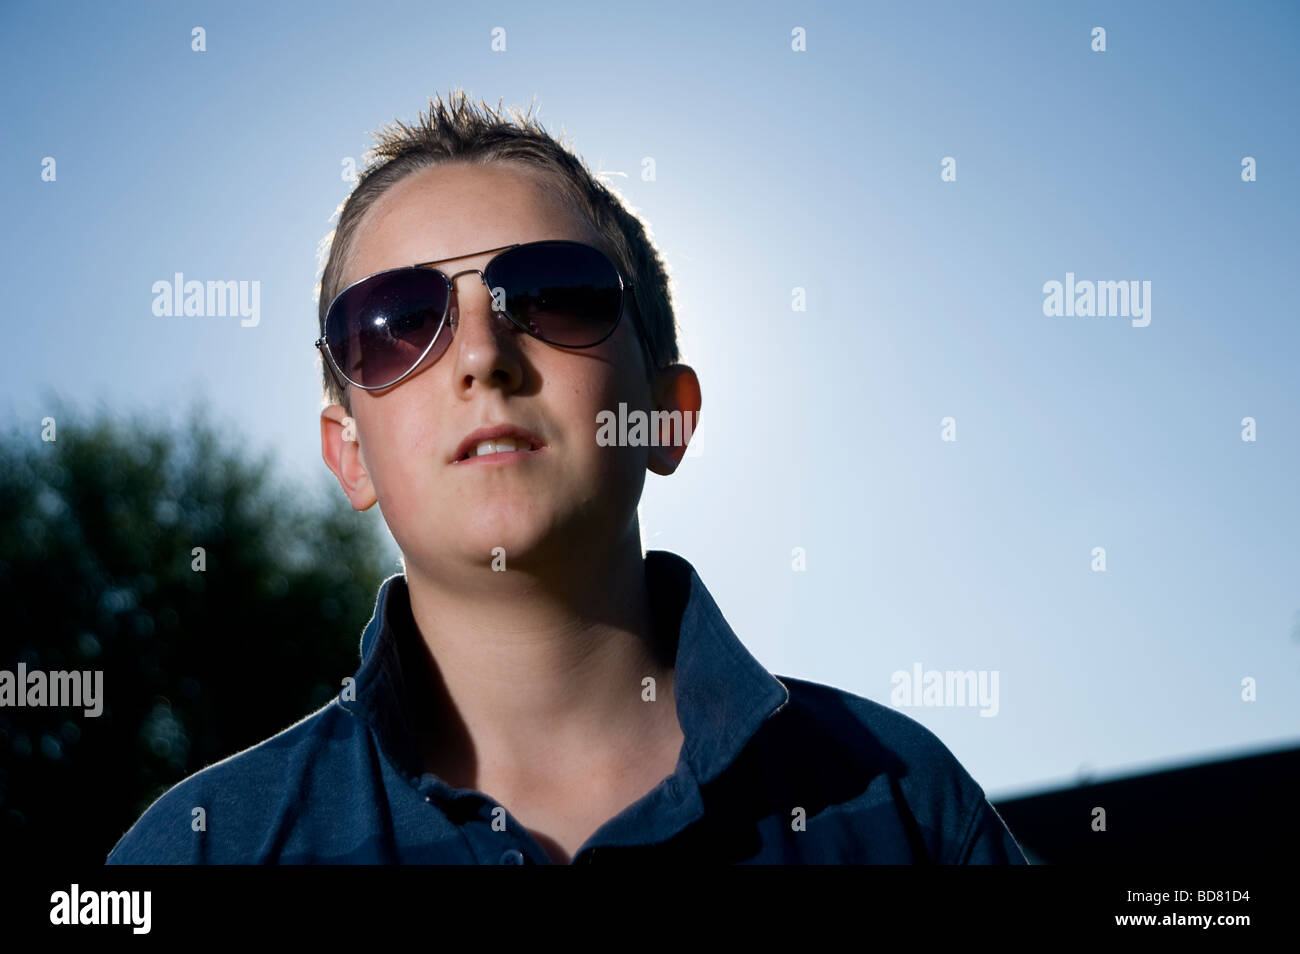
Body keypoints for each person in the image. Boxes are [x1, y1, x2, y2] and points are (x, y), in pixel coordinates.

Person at [107, 89, 1028, 865]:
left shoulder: (906, 806)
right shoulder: (198, 853)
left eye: (552, 291)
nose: (480, 353)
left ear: (667, 413)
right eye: (395, 321)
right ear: (350, 454)